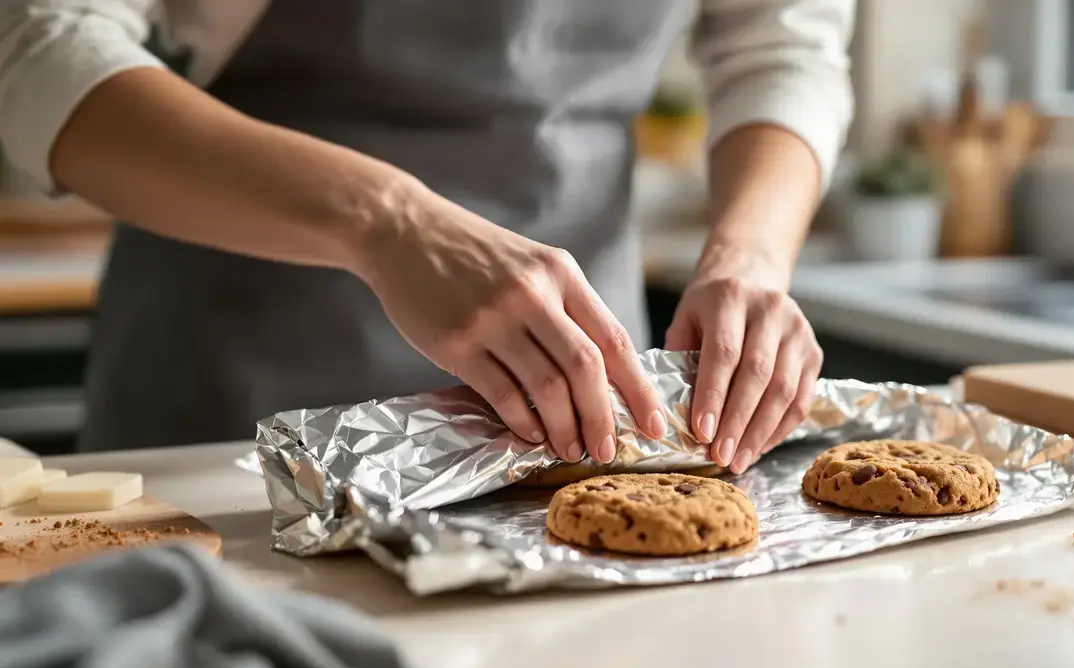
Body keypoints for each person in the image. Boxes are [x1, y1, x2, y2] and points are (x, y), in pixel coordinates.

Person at [0, 1, 853, 475]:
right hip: (235, 396)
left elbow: (782, 46)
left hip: (583, 412)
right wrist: (387, 219)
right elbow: (36, 47)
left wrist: (750, 257)